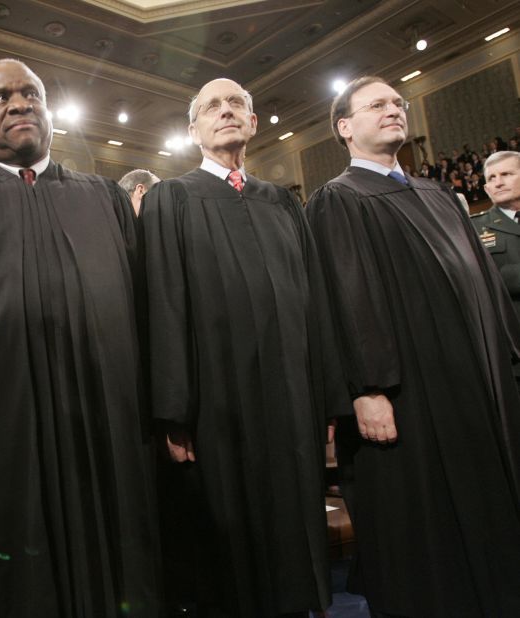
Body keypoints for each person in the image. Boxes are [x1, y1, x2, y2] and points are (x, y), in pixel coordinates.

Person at [0, 57, 161, 617]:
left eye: (30, 94)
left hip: (106, 421)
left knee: (119, 556)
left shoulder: (105, 198)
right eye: (0, 98)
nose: (18, 104)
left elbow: (141, 311)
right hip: (2, 424)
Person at [305, 76, 520, 617]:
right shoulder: (339, 198)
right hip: (409, 397)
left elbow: (486, 285)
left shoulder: (438, 194)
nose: (394, 110)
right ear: (345, 128)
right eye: (377, 105)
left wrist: (508, 357)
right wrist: (367, 388)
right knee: (430, 537)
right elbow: (346, 300)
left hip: (478, 384)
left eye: (399, 103)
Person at [140, 77, 345, 618]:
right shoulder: (172, 197)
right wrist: (172, 410)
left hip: (290, 395)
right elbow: (162, 304)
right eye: (212, 106)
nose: (226, 112)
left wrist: (325, 394)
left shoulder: (282, 200)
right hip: (216, 401)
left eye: (237, 105)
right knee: (227, 553)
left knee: (294, 531)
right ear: (193, 130)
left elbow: (313, 301)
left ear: (254, 124)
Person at [473, 150, 520, 324]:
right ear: (486, 189)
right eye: (491, 178)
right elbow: (479, 282)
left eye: (506, 174)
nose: (498, 183)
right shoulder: (473, 229)